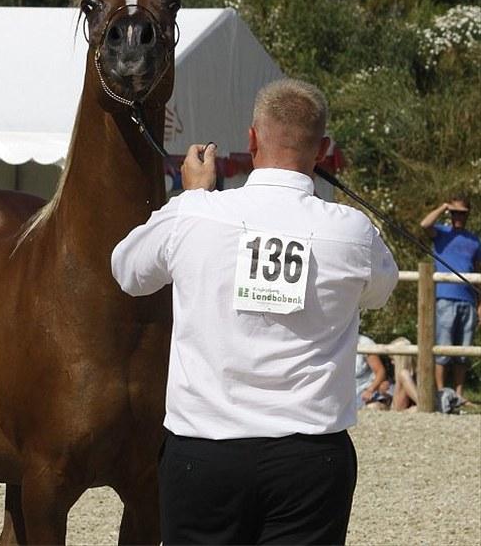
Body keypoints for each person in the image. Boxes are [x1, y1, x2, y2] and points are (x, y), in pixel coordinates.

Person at [111, 78, 399, 545]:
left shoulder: (194, 215)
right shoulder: (352, 231)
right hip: (310, 458)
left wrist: (193, 196)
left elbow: (127, 270)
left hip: (204, 454)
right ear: (323, 149)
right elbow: (379, 292)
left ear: (251, 140)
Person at [420, 196, 481, 399]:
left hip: (468, 300)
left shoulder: (474, 241)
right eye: (455, 213)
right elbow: (424, 224)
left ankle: (459, 394)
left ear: (468, 215)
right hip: (445, 298)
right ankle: (440, 393)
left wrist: (480, 303)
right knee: (442, 348)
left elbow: (478, 274)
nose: (458, 217)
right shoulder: (441, 233)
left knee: (463, 352)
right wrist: (444, 206)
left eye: (462, 213)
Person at [355, 334, 391, 410]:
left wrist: (370, 390)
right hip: (343, 393)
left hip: (364, 389)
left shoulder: (364, 343)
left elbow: (380, 371)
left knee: (373, 407)